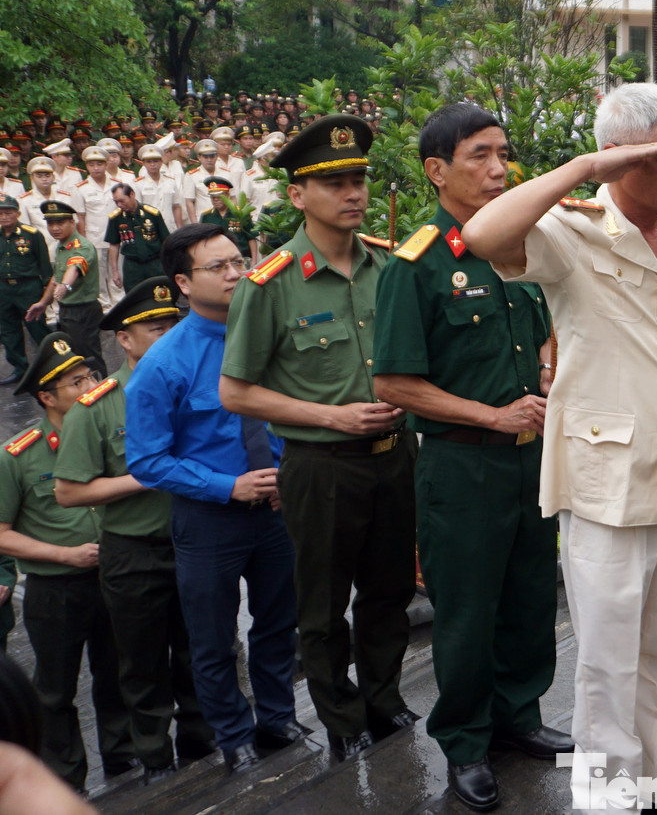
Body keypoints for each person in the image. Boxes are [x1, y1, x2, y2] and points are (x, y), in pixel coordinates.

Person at [464, 84, 657, 815]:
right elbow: (482, 235)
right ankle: (610, 802)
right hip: (608, 482)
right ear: (619, 158)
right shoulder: (571, 233)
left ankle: (654, 784)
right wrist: (585, 167)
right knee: (609, 664)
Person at [372, 103, 569, 810]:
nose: (498, 168)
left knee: (529, 596)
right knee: (466, 611)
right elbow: (393, 382)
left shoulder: (519, 246)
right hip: (462, 465)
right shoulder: (419, 264)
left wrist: (546, 372)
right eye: (479, 155)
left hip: (530, 460)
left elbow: (544, 332)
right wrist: (493, 414)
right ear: (437, 170)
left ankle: (519, 717)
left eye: (503, 154)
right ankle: (465, 743)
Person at [220, 115, 418, 765]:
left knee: (390, 591)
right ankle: (340, 715)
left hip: (394, 458)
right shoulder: (271, 283)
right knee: (324, 603)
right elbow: (236, 391)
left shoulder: (388, 265)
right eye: (334, 183)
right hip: (321, 465)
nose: (353, 193)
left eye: (358, 179)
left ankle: (384, 698)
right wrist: (332, 417)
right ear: (298, 195)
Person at [123, 225, 306, 776]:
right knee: (212, 638)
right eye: (217, 267)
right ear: (183, 283)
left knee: (278, 623)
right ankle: (234, 735)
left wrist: (286, 473)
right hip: (209, 519)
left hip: (277, 509)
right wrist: (227, 486)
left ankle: (278, 718)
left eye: (237, 262)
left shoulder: (270, 333)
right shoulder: (164, 363)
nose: (234, 274)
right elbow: (147, 461)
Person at [52, 279, 216, 784]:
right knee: (142, 664)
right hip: (135, 552)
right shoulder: (99, 405)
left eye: (173, 325)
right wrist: (150, 473)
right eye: (155, 329)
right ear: (124, 340)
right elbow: (69, 491)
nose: (169, 335)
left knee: (201, 652)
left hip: (197, 539)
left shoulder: (201, 381)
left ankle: (203, 742)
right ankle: (155, 758)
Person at [0, 333, 138, 791]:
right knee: (55, 689)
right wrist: (65, 554)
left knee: (116, 673)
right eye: (76, 382)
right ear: (46, 397)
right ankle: (66, 777)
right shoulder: (18, 456)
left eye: (91, 376)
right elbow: (1, 534)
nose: (90, 387)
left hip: (113, 575)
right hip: (55, 589)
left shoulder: (109, 434)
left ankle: (122, 757)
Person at [25, 201, 104, 379]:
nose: (54, 228)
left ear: (72, 222)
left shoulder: (81, 246)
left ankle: (101, 389)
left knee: (88, 357)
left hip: (83, 311)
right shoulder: (62, 246)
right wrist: (43, 303)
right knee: (74, 357)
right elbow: (56, 278)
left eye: (60, 223)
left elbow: (75, 267)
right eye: (50, 223)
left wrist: (65, 285)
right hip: (68, 310)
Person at [0, 194, 52, 386]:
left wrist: (47, 290)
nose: (4, 217)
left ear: (18, 213)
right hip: (4, 288)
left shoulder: (32, 234)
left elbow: (44, 265)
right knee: (9, 331)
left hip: (28, 287)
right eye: (0, 213)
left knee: (37, 327)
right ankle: (20, 369)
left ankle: (53, 363)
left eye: (8, 212)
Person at [74, 148, 120, 311]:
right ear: (86, 167)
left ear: (106, 164)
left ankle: (119, 302)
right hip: (94, 236)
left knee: (117, 269)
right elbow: (80, 217)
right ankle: (104, 304)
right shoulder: (80, 188)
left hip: (116, 236)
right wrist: (83, 240)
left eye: (99, 164)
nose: (96, 168)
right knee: (98, 273)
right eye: (91, 165)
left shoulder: (117, 184)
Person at [105, 184, 170, 292]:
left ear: (132, 194)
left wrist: (167, 264)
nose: (119, 205)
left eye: (122, 201)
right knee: (134, 296)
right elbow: (114, 244)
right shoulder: (116, 218)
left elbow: (165, 240)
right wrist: (115, 271)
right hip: (132, 266)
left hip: (154, 263)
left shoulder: (152, 214)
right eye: (116, 202)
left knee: (159, 295)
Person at [199, 177, 255, 261]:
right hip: (217, 259)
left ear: (228, 195)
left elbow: (251, 238)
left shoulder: (240, 213)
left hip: (241, 257)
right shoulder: (206, 216)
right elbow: (202, 241)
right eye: (213, 197)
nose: (216, 200)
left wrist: (254, 260)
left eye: (219, 196)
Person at [134, 142, 186, 229]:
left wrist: (179, 228)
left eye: (155, 161)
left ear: (161, 162)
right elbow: (137, 210)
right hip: (150, 227)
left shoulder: (171, 181)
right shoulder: (138, 184)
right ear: (143, 164)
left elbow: (176, 207)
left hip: (169, 226)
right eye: (148, 162)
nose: (152, 164)